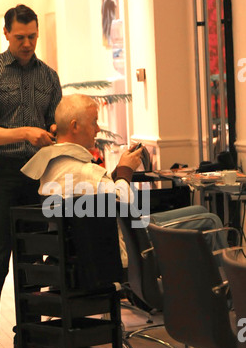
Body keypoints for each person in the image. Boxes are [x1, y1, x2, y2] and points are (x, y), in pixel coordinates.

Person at [22, 94, 228, 262]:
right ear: (75, 126)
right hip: (126, 240)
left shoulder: (51, 167)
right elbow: (124, 204)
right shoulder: (83, 171)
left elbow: (97, 195)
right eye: (94, 122)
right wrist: (126, 172)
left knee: (198, 212)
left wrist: (119, 171)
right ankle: (222, 296)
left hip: (89, 245)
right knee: (208, 218)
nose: (97, 129)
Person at [0, 4, 62, 348]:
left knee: (34, 257)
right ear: (6, 33)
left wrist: (54, 132)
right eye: (20, 36)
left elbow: (55, 120)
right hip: (2, 176)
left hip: (38, 177)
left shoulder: (49, 76)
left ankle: (31, 334)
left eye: (33, 36)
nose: (27, 43)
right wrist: (25, 132)